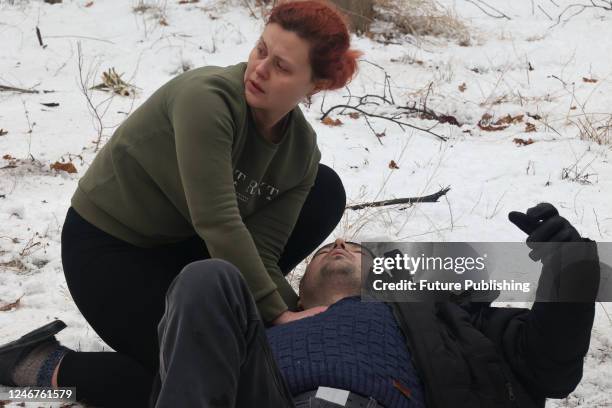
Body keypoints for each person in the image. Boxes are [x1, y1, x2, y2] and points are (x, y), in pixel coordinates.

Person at [0, 1, 364, 406]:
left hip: (191, 256)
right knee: (206, 377)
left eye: (281, 67)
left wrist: (300, 322)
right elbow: (217, 221)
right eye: (261, 50)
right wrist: (279, 319)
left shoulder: (300, 150)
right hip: (111, 252)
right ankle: (36, 363)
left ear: (313, 85)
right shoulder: (207, 99)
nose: (259, 69)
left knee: (324, 189)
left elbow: (262, 250)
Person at [150, 202, 601, 407]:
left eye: (356, 248)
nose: (340, 243)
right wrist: (73, 378)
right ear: (299, 288)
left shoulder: (447, 319)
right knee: (208, 275)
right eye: (324, 249)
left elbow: (549, 366)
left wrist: (571, 265)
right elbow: (175, 379)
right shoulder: (258, 332)